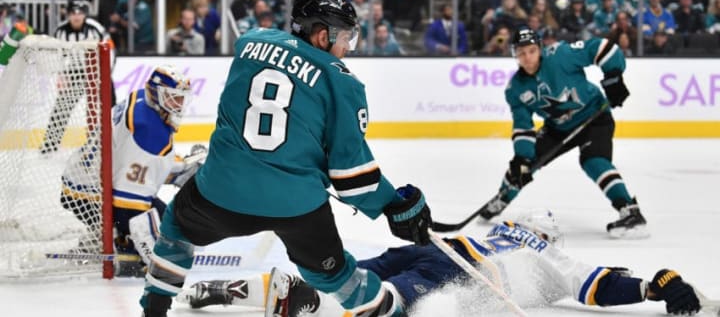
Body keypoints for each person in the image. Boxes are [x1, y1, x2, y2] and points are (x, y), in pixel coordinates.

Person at [138, 0, 432, 317]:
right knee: (336, 275)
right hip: (297, 207)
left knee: (177, 225)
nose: (347, 46)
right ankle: (392, 315)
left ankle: (153, 309)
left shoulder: (249, 43)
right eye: (345, 37)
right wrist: (394, 205)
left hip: (222, 190)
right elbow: (352, 179)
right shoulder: (343, 83)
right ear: (322, 35)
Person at [179, 209, 702, 317]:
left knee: (348, 274)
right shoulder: (541, 250)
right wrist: (653, 287)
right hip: (458, 271)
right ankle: (318, 304)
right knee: (388, 303)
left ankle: (250, 288)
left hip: (440, 247)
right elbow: (599, 284)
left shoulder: (496, 231)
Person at [476, 28, 648, 239]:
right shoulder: (516, 89)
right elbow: (523, 126)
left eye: (531, 51)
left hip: (594, 117)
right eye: (521, 53)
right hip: (557, 127)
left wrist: (613, 76)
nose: (527, 57)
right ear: (515, 55)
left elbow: (602, 48)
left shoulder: (560, 55)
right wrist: (522, 155)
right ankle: (501, 198)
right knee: (523, 165)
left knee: (594, 161)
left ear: (540, 49)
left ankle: (629, 210)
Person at [59, 65, 203, 276]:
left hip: (79, 182)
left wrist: (178, 169)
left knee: (165, 215)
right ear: (158, 94)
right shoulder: (150, 132)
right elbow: (130, 204)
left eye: (181, 99)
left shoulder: (141, 97)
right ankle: (119, 241)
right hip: (93, 199)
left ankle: (105, 230)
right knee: (172, 227)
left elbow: (130, 160)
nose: (179, 106)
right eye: (173, 98)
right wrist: (157, 256)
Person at [40, 1, 115, 154]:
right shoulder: (60, 31)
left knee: (110, 107)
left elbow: (110, 49)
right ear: (68, 15)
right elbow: (58, 56)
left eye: (80, 13)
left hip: (98, 72)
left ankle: (114, 140)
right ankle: (50, 144)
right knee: (62, 108)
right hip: (74, 73)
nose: (76, 17)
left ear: (84, 15)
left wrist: (107, 73)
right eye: (73, 13)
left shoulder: (96, 28)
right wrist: (61, 75)